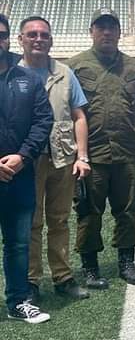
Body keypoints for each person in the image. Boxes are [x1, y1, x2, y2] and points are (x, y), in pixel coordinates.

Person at [68, 8, 135, 287]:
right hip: (91, 154)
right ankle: (90, 268)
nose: (106, 32)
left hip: (125, 151)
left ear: (119, 32)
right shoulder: (75, 66)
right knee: (89, 210)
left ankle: (126, 262)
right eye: (100, 27)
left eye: (111, 27)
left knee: (127, 208)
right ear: (91, 31)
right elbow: (70, 111)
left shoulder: (134, 67)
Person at [18, 17, 91, 302]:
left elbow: (79, 116)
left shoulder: (65, 73)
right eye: (32, 34)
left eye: (44, 35)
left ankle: (62, 277)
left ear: (51, 40)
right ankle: (31, 280)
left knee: (60, 220)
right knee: (31, 222)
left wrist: (81, 156)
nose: (38, 39)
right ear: (21, 39)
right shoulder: (12, 73)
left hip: (62, 158)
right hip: (26, 161)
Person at [0, 13, 53, 323]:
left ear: (9, 38)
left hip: (20, 175)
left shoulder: (28, 80)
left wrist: (22, 156)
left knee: (19, 243)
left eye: (2, 34)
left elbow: (42, 121)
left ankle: (18, 301)